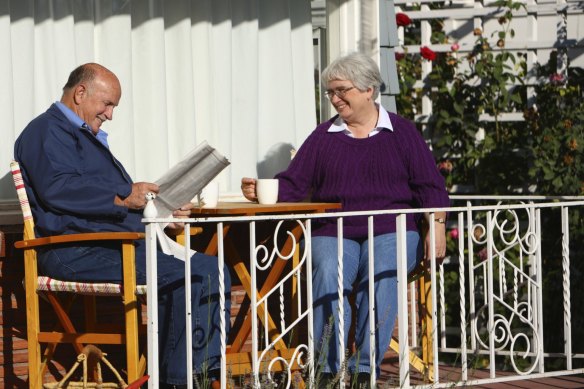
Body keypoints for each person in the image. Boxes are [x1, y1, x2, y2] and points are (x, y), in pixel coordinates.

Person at [14, 63, 230, 389]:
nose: (111, 114)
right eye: (108, 104)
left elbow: (109, 205)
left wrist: (162, 214)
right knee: (185, 276)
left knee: (210, 268)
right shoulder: (46, 131)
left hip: (110, 243)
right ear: (80, 92)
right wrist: (126, 195)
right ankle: (179, 382)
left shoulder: (83, 136)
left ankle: (199, 376)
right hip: (70, 248)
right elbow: (59, 189)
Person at [241, 52, 449, 386]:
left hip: (391, 228)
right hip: (336, 228)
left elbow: (431, 186)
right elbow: (295, 184)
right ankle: (328, 367)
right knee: (327, 273)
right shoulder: (324, 137)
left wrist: (436, 227)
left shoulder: (403, 133)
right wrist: (264, 190)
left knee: (381, 276)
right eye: (330, 92)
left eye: (342, 90)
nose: (335, 99)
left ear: (369, 90)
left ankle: (365, 371)